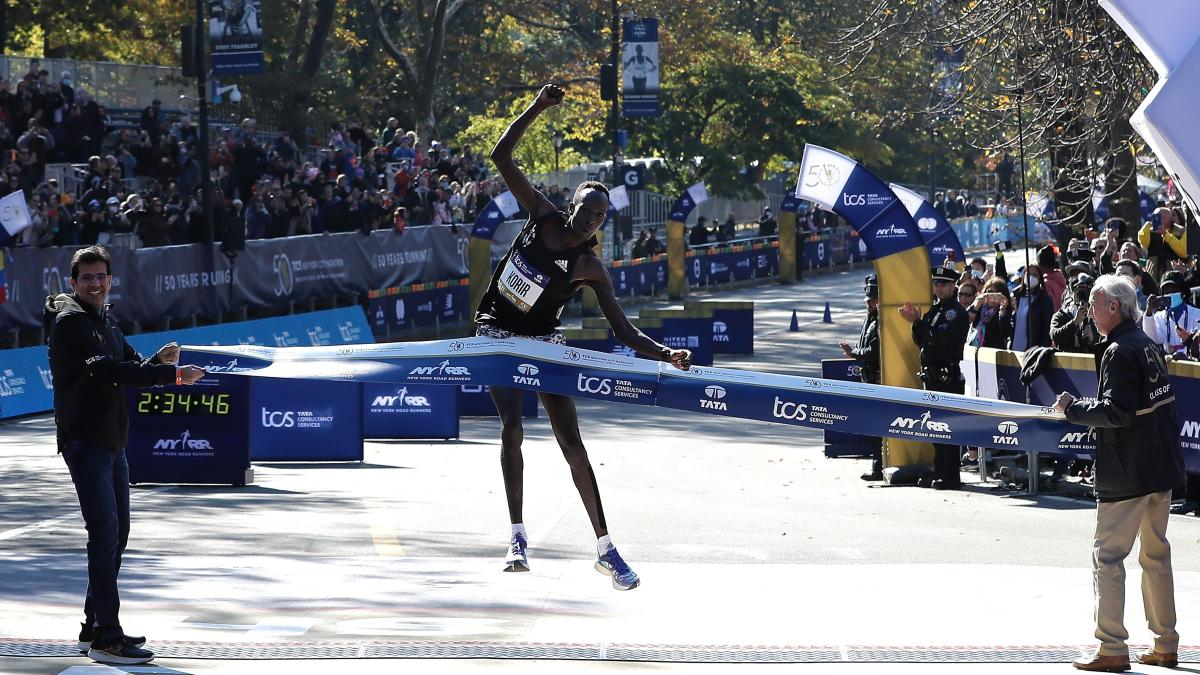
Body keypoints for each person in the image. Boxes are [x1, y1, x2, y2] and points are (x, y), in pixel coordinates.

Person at [475, 84, 692, 590]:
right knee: (512, 428)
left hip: (545, 341)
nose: (592, 218)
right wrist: (537, 107)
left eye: (601, 215)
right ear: (572, 204)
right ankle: (517, 538)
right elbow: (500, 155)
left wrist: (665, 354)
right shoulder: (540, 214)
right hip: (496, 334)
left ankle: (606, 549)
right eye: (587, 209)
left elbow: (623, 329)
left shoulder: (589, 266)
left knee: (572, 442)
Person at [43, 246, 206, 665]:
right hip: (86, 443)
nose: (96, 284)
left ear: (110, 280)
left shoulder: (105, 323)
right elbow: (109, 371)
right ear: (74, 283)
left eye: (102, 277)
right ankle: (107, 639)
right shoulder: (71, 325)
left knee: (117, 536)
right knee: (104, 537)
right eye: (88, 278)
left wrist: (159, 362)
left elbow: (132, 366)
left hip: (113, 443)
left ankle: (91, 628)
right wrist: (170, 375)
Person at [1054, 274, 1184, 672]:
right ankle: (1165, 644)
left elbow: (1117, 411)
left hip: (1127, 472)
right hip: (1159, 468)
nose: (1087, 312)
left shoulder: (1118, 351)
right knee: (1156, 557)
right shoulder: (1146, 344)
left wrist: (1073, 409)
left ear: (1114, 307)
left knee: (1108, 559)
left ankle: (1111, 648)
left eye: (1093, 304)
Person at [899, 266, 969, 490]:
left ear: (952, 286)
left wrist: (918, 323)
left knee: (947, 428)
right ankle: (940, 471)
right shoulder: (936, 310)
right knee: (935, 428)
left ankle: (950, 476)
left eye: (943, 284)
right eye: (936, 284)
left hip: (946, 377)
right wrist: (918, 323)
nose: (938, 288)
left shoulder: (955, 312)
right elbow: (921, 339)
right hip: (932, 376)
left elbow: (938, 340)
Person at [840, 274, 881, 481]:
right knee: (873, 427)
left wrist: (854, 352)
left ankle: (879, 467)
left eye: (872, 300)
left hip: (878, 378)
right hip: (869, 377)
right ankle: (877, 465)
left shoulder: (881, 321)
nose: (868, 304)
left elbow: (874, 351)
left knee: (879, 426)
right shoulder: (870, 319)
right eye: (867, 301)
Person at [1142, 270, 1200, 358]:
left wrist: (1184, 353)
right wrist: (1149, 312)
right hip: (1169, 365)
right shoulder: (1159, 316)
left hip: (1192, 366)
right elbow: (1153, 338)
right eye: (1166, 292)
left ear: (1182, 291)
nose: (1170, 294)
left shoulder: (1197, 314)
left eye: (1174, 290)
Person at [1050, 273, 1101, 353]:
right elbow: (1055, 336)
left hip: (1090, 362)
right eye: (1077, 290)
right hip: (1066, 361)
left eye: (1086, 290)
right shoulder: (1061, 315)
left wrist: (1093, 338)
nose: (1082, 294)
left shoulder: (1097, 315)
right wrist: (1075, 322)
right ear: (1071, 292)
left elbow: (1105, 338)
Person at [1010, 263, 1054, 352]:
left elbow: (1047, 329)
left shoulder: (1044, 300)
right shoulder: (1016, 296)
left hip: (1032, 351)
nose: (1031, 277)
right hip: (1014, 350)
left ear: (1040, 278)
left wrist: (1041, 351)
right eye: (1028, 274)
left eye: (1035, 275)